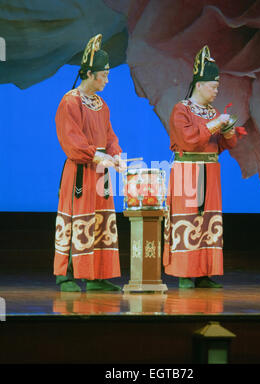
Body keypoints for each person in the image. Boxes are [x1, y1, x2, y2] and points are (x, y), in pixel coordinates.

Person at [163, 46, 241, 289]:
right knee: (188, 218)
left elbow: (224, 145)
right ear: (199, 84)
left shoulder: (212, 112)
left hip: (210, 172)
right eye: (213, 86)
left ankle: (204, 272)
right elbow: (188, 140)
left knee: (208, 221)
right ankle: (186, 273)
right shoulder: (181, 109)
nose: (217, 91)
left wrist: (227, 131)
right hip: (188, 172)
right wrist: (214, 124)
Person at [54, 34, 126, 292]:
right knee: (78, 219)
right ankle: (67, 275)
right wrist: (98, 156)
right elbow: (72, 141)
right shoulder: (70, 101)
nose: (107, 80)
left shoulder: (101, 105)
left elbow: (110, 136)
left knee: (101, 221)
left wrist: (116, 155)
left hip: (100, 172)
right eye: (104, 75)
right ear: (91, 74)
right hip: (81, 171)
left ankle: (97, 276)